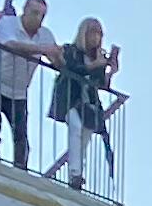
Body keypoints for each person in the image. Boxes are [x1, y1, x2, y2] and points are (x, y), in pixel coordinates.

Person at [0, 0, 56, 169]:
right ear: (25, 10)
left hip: (18, 91)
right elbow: (11, 45)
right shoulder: (9, 23)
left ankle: (20, 171)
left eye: (42, 15)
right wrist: (43, 49)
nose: (38, 18)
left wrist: (59, 54)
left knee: (21, 136)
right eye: (35, 13)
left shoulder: (45, 34)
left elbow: (56, 59)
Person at [52, 19, 122, 192]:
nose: (96, 38)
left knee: (84, 137)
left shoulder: (97, 57)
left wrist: (110, 72)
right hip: (70, 98)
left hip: (89, 104)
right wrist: (93, 65)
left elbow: (100, 84)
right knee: (75, 127)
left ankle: (76, 175)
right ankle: (75, 173)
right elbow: (73, 69)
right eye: (93, 33)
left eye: (99, 34)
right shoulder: (71, 50)